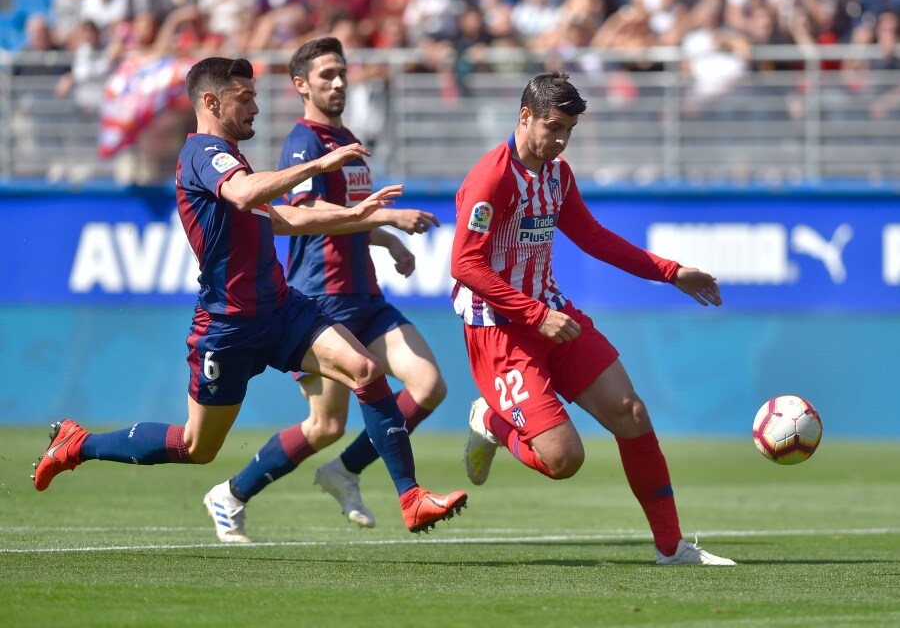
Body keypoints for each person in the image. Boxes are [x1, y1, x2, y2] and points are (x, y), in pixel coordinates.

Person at [32, 56, 467, 537]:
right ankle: (79, 444)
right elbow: (242, 196)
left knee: (365, 370)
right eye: (246, 97)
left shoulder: (234, 160)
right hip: (228, 325)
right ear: (211, 101)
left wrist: (364, 216)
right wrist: (320, 166)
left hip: (281, 309)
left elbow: (285, 219)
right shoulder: (203, 154)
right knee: (198, 447)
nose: (256, 106)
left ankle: (411, 497)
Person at [451, 71, 735, 565]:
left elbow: (593, 237)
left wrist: (671, 273)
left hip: (552, 314)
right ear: (525, 117)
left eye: (569, 131)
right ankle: (494, 422)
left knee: (632, 414)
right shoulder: (491, 178)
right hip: (499, 329)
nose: (560, 141)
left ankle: (671, 548)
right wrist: (534, 314)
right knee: (564, 460)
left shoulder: (557, 175)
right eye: (553, 127)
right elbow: (464, 265)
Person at [201, 37, 449, 542]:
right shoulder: (304, 142)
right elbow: (307, 216)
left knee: (428, 386)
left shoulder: (348, 139)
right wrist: (389, 217)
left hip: (367, 296)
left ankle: (346, 471)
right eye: (325, 76)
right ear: (301, 86)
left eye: (341, 73)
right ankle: (231, 493)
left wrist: (384, 239)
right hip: (322, 299)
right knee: (324, 426)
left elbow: (348, 217)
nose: (337, 83)